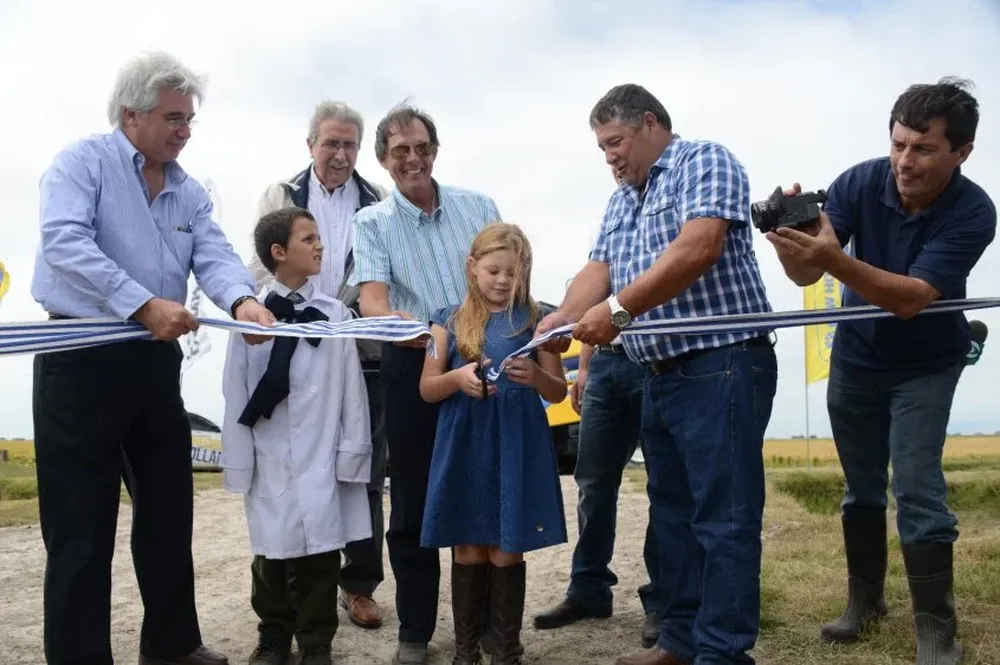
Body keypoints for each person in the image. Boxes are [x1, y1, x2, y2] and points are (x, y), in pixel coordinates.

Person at [30, 51, 275, 665]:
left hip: (154, 363)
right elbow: (64, 243)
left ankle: (172, 646)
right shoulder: (81, 164)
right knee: (81, 525)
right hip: (79, 358)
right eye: (173, 117)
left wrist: (243, 301)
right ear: (130, 114)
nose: (185, 130)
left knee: (168, 511)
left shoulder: (189, 192)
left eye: (189, 119)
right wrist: (141, 304)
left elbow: (214, 255)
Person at [535, 83, 778, 665]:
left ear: (650, 123)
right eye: (602, 147)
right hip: (660, 374)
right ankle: (681, 641)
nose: (610, 157)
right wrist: (561, 319)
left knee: (723, 517)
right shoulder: (622, 199)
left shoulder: (705, 161)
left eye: (615, 142)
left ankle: (722, 652)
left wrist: (617, 312)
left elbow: (699, 248)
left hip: (720, 362)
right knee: (673, 516)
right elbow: (598, 268)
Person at [765, 77, 996, 665]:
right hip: (856, 359)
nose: (905, 161)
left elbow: (912, 299)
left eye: (924, 148)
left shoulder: (974, 211)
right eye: (898, 144)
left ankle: (937, 632)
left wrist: (833, 259)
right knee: (861, 488)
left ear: (962, 152)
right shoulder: (858, 183)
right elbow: (807, 276)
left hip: (927, 364)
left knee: (916, 488)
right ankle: (864, 604)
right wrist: (790, 245)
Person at [348, 102, 505, 665]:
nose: (412, 159)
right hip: (412, 365)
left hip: (483, 364)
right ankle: (415, 631)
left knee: (483, 495)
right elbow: (372, 301)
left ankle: (484, 630)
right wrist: (416, 332)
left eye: (421, 148)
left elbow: (507, 277)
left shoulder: (479, 206)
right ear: (383, 160)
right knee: (412, 502)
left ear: (435, 150)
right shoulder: (371, 222)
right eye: (400, 151)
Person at [249, 100, 390, 630]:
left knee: (363, 468)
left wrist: (348, 314)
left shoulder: (379, 200)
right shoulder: (280, 195)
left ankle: (359, 585)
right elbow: (259, 263)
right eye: (331, 143)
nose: (341, 154)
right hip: (292, 346)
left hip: (361, 347)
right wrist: (273, 313)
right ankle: (292, 585)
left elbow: (383, 271)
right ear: (311, 144)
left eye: (350, 144)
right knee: (288, 465)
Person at [221, 206, 374, 665]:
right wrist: (239, 458)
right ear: (279, 252)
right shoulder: (249, 316)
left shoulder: (334, 314)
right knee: (270, 550)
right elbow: (235, 389)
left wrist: (351, 450)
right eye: (308, 239)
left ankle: (316, 641)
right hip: (269, 452)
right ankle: (273, 635)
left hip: (321, 449)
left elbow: (352, 390)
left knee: (322, 553)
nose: (320, 245)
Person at [419, 222, 569, 665]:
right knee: (466, 544)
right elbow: (427, 388)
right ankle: (465, 653)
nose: (503, 280)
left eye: (513, 272)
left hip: (514, 445)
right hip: (465, 444)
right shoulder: (444, 321)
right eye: (494, 270)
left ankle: (506, 651)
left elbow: (558, 390)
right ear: (472, 267)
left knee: (507, 545)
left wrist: (535, 376)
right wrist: (456, 379)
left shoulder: (539, 321)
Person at [533, 170, 662, 649]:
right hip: (607, 362)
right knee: (592, 480)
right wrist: (585, 367)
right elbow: (598, 301)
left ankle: (662, 599)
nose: (614, 161)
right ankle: (588, 589)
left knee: (664, 484)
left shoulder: (670, 216)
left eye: (617, 145)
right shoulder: (610, 224)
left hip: (655, 358)